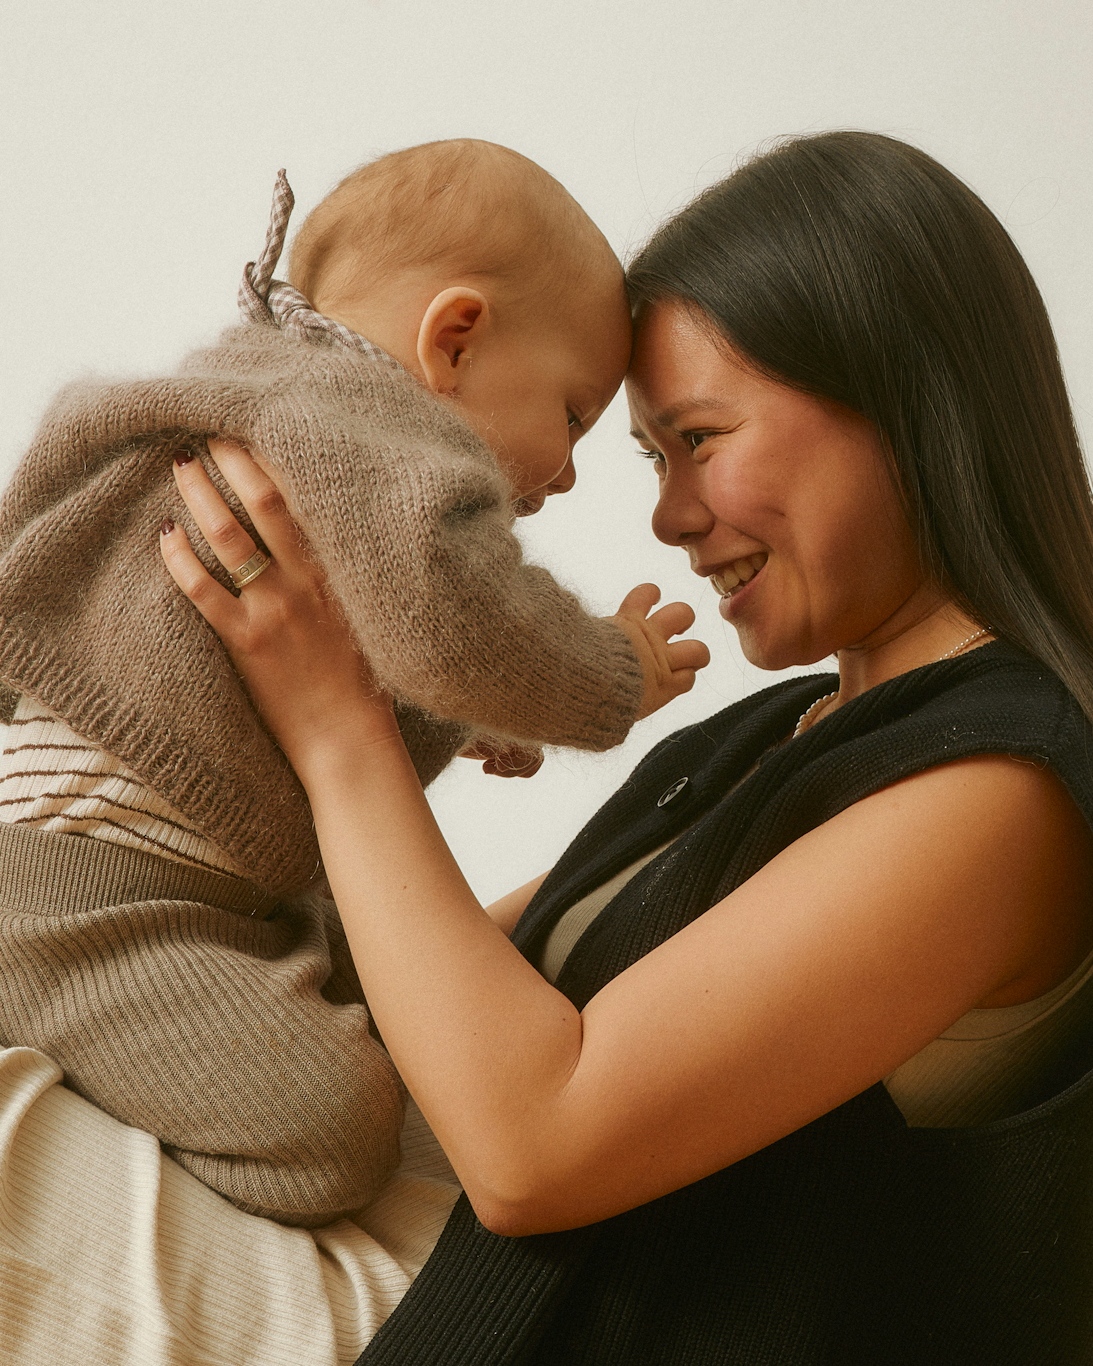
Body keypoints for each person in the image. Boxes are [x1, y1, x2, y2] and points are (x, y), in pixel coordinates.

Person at [3, 127, 1091, 1365]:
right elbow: (459, 979)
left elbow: (532, 1146)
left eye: (700, 440)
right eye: (645, 452)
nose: (670, 517)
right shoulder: (774, 734)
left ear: (898, 396)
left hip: (482, 1320)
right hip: (444, 1268)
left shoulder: (999, 790)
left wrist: (335, 717)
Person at [0, 138, 706, 1229]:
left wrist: (467, 714)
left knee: (391, 964)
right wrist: (614, 669)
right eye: (571, 414)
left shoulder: (265, 388)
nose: (567, 471)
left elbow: (340, 640)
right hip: (97, 901)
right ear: (454, 339)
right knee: (340, 1133)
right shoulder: (375, 440)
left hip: (128, 863)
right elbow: (456, 619)